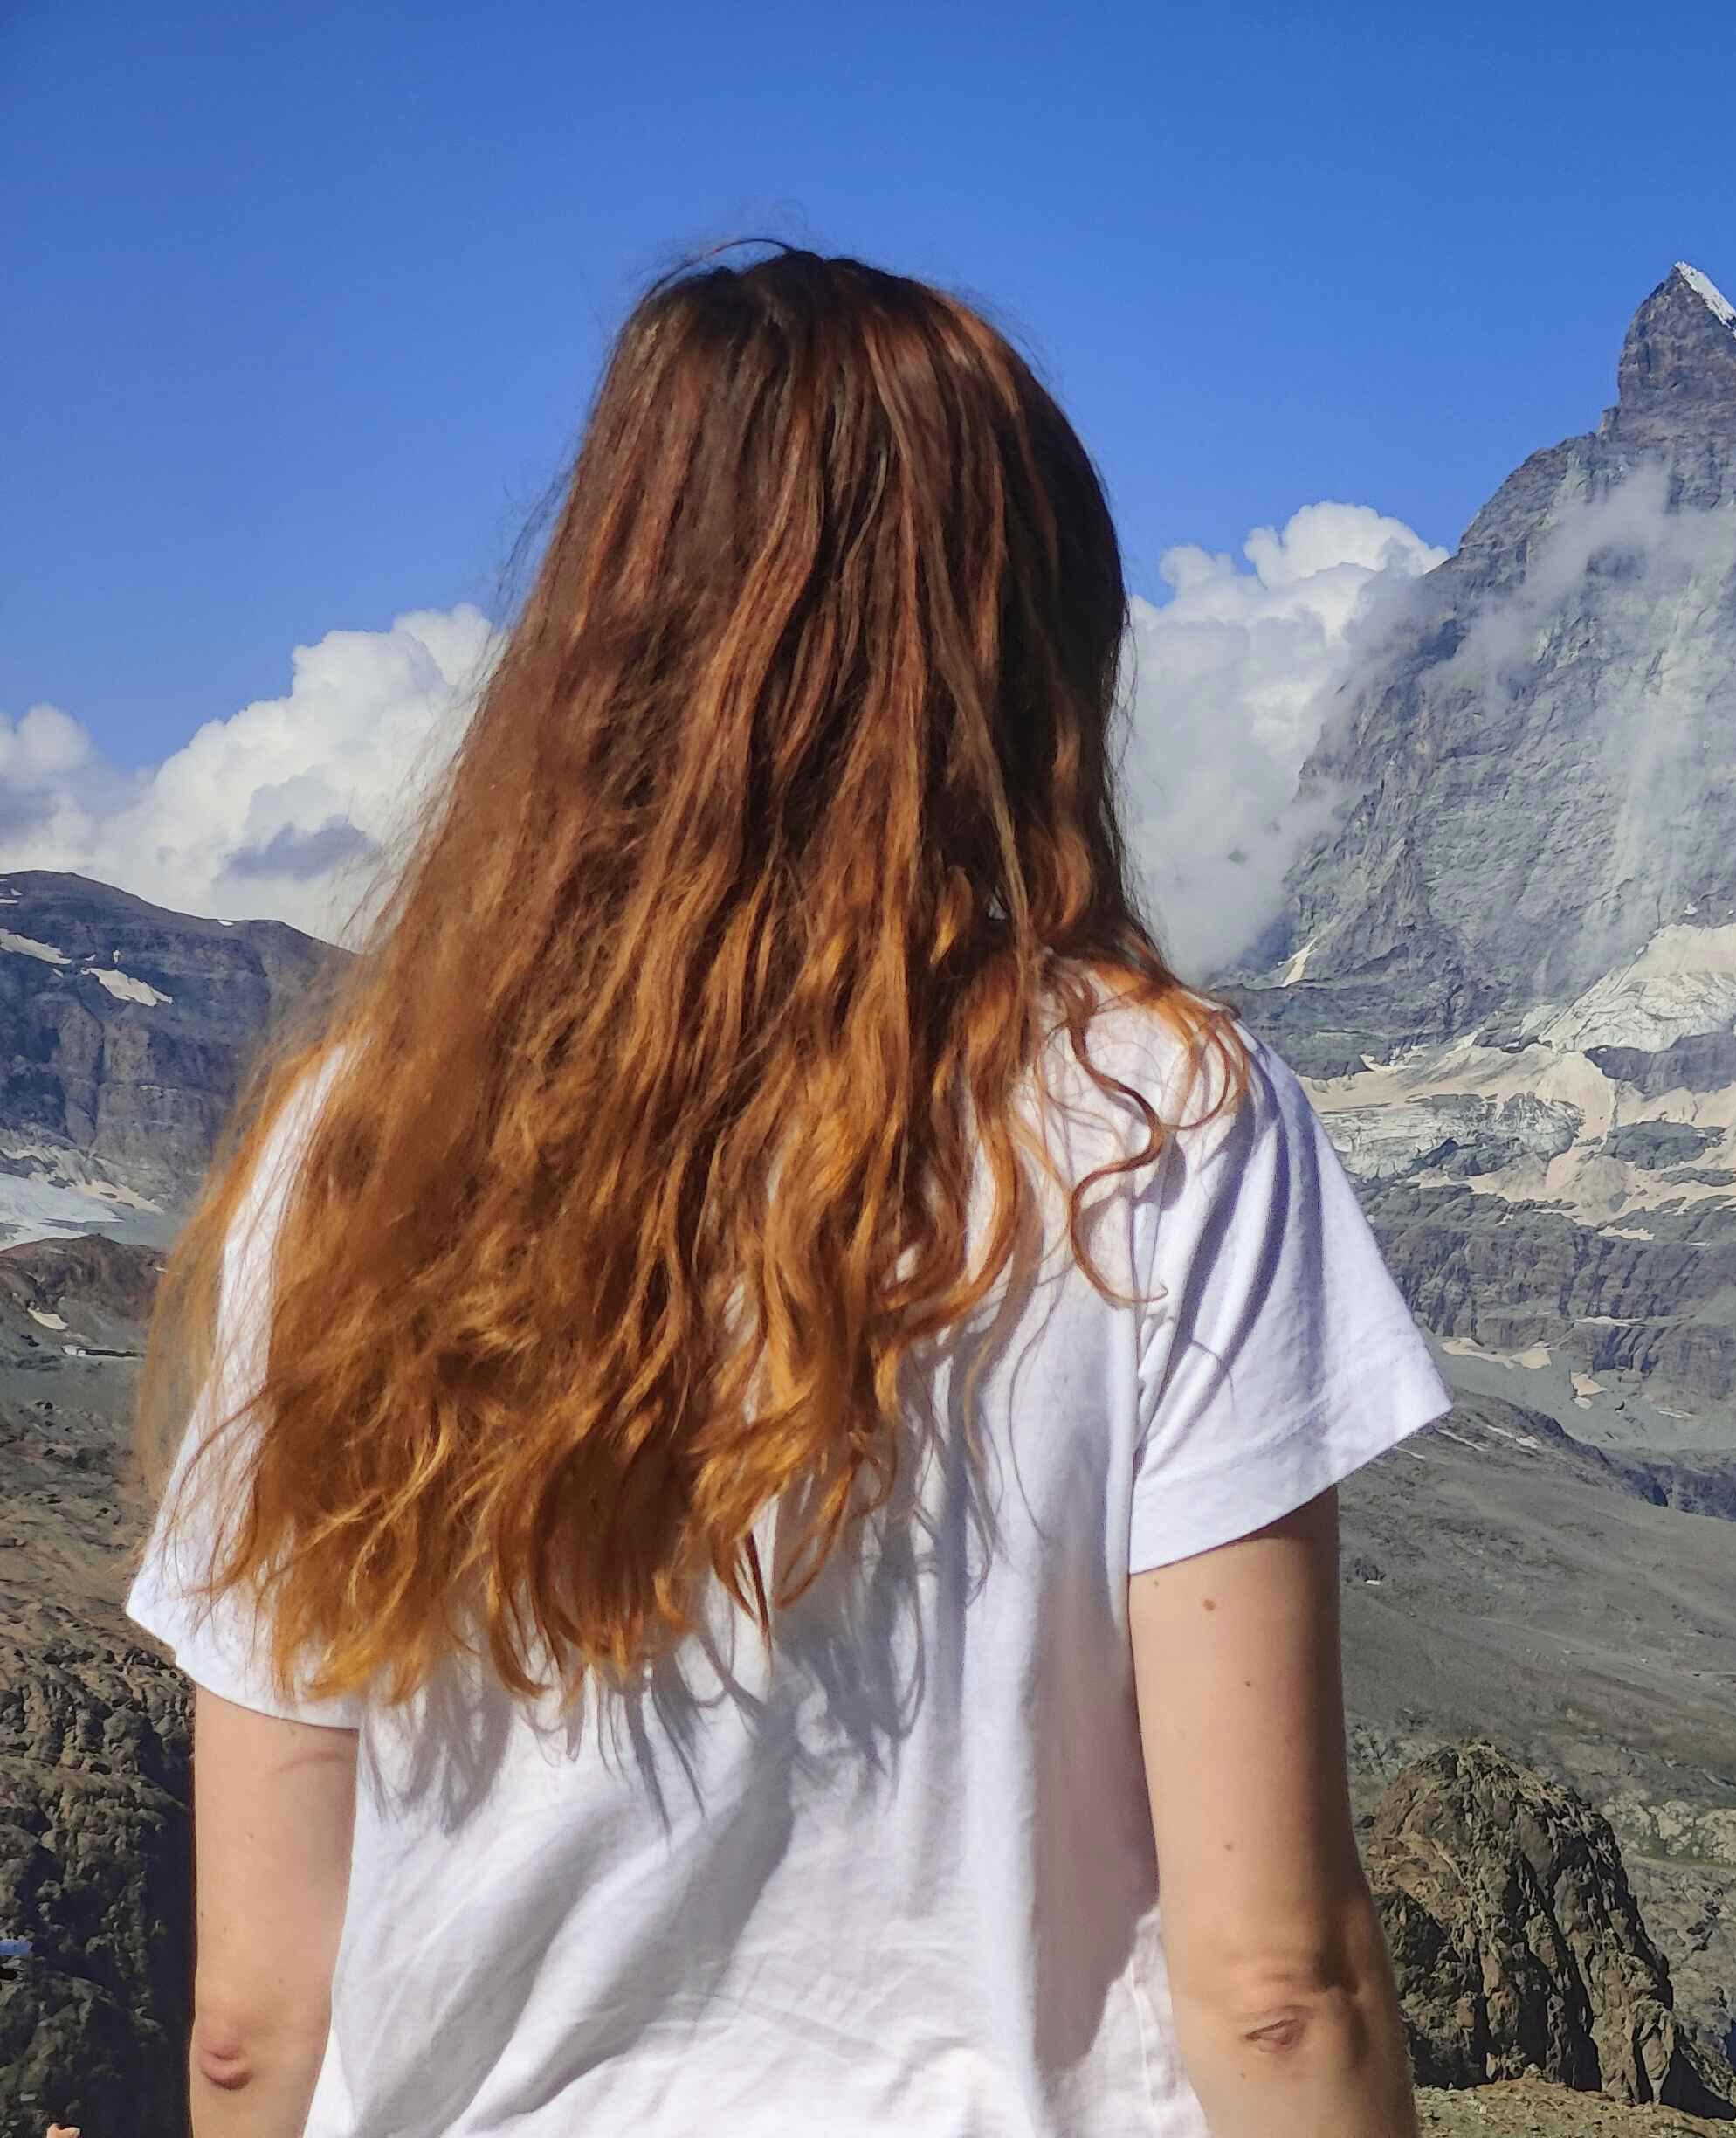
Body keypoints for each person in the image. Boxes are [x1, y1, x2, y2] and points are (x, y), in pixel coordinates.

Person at [127, 246, 1450, 2138]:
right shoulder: (1169, 1124)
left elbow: (254, 2021)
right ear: (1021, 645)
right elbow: (1277, 1987)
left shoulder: (353, 1160)